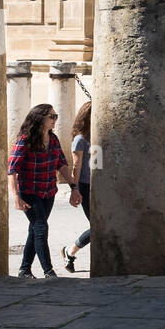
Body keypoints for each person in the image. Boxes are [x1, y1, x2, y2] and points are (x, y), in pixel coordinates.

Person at [8, 104, 81, 279]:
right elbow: (12, 170)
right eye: (52, 116)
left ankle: (24, 270)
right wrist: (16, 197)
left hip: (48, 192)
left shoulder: (53, 139)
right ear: (40, 118)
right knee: (41, 228)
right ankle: (49, 272)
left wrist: (73, 187)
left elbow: (62, 165)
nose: (55, 120)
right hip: (29, 192)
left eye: (55, 116)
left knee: (35, 229)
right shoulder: (25, 140)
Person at [62, 101, 92, 273]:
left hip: (99, 184)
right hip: (86, 185)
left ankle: (70, 251)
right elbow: (76, 166)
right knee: (97, 226)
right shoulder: (80, 140)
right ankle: (71, 251)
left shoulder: (97, 137)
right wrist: (75, 188)